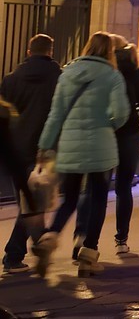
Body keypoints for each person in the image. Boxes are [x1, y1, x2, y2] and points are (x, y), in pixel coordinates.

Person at [34, 31, 130, 278]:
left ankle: (50, 236)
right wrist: (108, 123)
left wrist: (45, 146)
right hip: (101, 144)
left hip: (70, 143)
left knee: (71, 198)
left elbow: (55, 113)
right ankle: (89, 255)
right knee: (98, 198)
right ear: (109, 51)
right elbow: (121, 112)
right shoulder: (112, 75)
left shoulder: (68, 73)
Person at [2, 34, 60, 272]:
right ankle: (15, 254)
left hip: (15, 149)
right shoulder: (59, 78)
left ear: (28, 51)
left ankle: (35, 245)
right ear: (50, 51)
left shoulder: (11, 79)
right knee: (34, 204)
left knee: (29, 203)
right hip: (44, 150)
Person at [109, 43, 139, 254]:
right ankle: (121, 239)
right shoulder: (136, 74)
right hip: (129, 133)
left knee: (94, 187)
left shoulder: (106, 71)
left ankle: (86, 241)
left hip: (105, 133)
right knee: (124, 186)